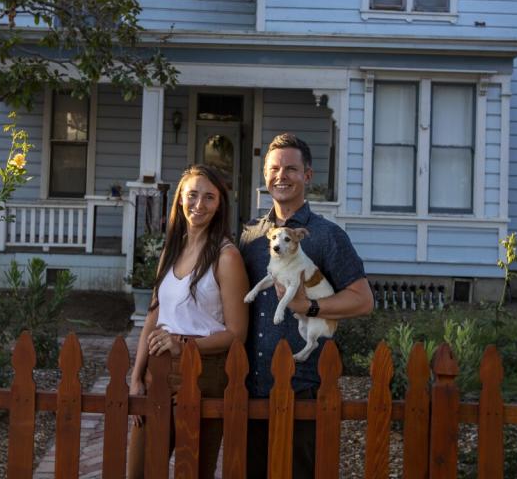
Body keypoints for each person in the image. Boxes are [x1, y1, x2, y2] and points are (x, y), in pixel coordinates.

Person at [240, 133, 374, 479]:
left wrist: (310, 308)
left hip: (303, 385)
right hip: (250, 386)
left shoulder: (327, 236)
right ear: (264, 174)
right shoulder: (252, 237)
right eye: (274, 169)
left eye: (291, 169)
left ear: (307, 176)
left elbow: (362, 300)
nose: (281, 176)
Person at [126, 164, 249, 479]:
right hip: (159, 368)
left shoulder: (226, 256)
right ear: (180, 198)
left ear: (220, 204)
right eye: (192, 195)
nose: (199, 205)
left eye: (209, 197)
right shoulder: (172, 248)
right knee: (140, 470)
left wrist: (182, 345)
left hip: (205, 374)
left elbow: (237, 334)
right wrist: (137, 375)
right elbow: (154, 315)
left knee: (191, 472)